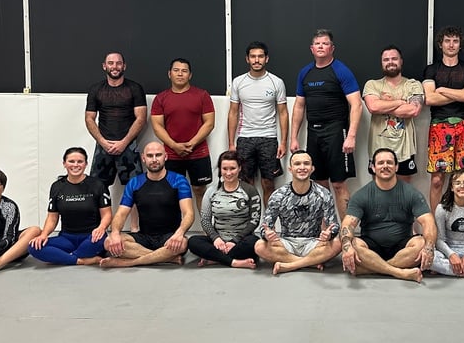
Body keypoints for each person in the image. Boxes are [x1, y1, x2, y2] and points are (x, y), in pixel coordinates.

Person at [289, 29, 362, 222]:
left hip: (337, 131)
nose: (321, 46)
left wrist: (351, 136)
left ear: (332, 48)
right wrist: (293, 137)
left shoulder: (341, 71)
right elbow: (299, 106)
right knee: (319, 185)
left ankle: (347, 231)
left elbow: (356, 104)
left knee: (338, 184)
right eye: (317, 44)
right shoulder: (305, 73)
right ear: (312, 49)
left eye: (325, 43)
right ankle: (325, 230)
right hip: (314, 132)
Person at [339, 148, 436, 283]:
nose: (385, 166)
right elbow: (347, 224)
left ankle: (371, 269)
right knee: (353, 244)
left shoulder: (411, 193)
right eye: (380, 163)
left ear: (396, 167)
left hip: (402, 247)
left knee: (421, 243)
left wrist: (429, 247)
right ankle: (399, 272)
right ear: (373, 168)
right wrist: (347, 246)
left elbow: (428, 222)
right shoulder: (361, 195)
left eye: (389, 163)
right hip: (371, 247)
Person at [100, 141, 194, 268]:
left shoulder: (178, 180)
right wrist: (115, 232)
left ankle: (128, 262)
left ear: (165, 157)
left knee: (183, 243)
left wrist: (179, 233)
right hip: (144, 237)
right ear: (143, 158)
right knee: (108, 242)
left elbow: (189, 213)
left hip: (170, 237)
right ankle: (166, 258)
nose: (154, 159)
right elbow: (121, 214)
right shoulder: (134, 183)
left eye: (158, 155)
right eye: (150, 156)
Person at [255, 150, 341, 275]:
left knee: (337, 243)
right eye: (297, 164)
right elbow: (265, 227)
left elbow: (334, 226)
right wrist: (267, 235)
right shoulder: (279, 195)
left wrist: (329, 234)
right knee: (259, 246)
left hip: (313, 243)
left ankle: (290, 265)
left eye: (306, 163)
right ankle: (309, 263)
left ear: (312, 168)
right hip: (286, 243)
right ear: (290, 169)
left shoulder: (323, 194)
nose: (302, 167)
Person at [421, 26, 464, 213]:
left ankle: (462, 218)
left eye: (455, 41)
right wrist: (460, 94)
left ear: (460, 45)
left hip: (463, 125)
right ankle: (435, 222)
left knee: (463, 178)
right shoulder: (431, 70)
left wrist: (443, 90)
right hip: (439, 126)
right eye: (447, 41)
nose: (451, 45)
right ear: (440, 44)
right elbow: (430, 99)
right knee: (437, 180)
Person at [227, 40, 289, 207]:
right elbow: (233, 112)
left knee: (268, 182)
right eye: (253, 56)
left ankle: (268, 221)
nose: (256, 60)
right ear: (247, 59)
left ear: (266, 59)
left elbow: (283, 113)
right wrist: (231, 143)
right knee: (246, 183)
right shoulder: (238, 82)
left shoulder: (276, 82)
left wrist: (283, 142)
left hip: (268, 138)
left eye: (260, 56)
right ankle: (250, 220)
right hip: (245, 138)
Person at [29, 147, 113, 266]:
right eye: (71, 161)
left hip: (92, 237)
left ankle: (64, 257)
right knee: (33, 247)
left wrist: (101, 228)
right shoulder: (57, 187)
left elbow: (107, 214)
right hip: (67, 238)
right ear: (64, 164)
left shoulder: (97, 185)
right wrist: (43, 235)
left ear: (86, 164)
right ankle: (81, 260)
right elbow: (52, 218)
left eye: (80, 161)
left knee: (100, 243)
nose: (76, 165)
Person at [151, 57, 216, 206]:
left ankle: (206, 222)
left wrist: (191, 144)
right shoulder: (160, 98)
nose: (180, 74)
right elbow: (157, 126)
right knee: (172, 192)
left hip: (198, 153)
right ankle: (175, 223)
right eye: (176, 70)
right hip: (172, 154)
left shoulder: (202, 95)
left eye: (184, 71)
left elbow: (209, 123)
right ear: (169, 74)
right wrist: (174, 145)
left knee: (200, 190)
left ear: (190, 75)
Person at [187, 151, 262, 269]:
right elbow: (205, 220)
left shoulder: (250, 190)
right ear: (220, 169)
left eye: (232, 168)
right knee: (192, 241)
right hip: (218, 242)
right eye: (225, 169)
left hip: (241, 241)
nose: (228, 173)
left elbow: (254, 221)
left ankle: (215, 258)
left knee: (254, 242)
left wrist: (234, 241)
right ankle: (234, 262)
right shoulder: (211, 191)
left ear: (239, 168)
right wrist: (216, 238)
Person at [85, 51, 147, 191]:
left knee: (137, 189)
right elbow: (89, 118)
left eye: (118, 63)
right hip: (103, 146)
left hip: (128, 145)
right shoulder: (96, 89)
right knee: (96, 188)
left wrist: (124, 142)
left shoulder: (135, 88)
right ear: (104, 66)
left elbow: (141, 118)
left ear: (124, 66)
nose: (115, 66)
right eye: (111, 63)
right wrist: (103, 142)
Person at [362, 45, 424, 183]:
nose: (390, 62)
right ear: (381, 63)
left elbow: (413, 110)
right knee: (379, 189)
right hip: (378, 148)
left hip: (405, 150)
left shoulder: (413, 85)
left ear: (401, 61)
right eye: (386, 59)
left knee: (403, 190)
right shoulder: (372, 84)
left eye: (394, 59)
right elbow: (373, 107)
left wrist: (384, 104)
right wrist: (401, 102)